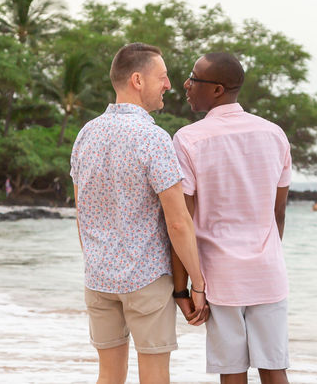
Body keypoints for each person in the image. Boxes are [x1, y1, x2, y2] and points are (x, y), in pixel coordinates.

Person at [70, 42, 210, 384]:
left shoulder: (85, 134)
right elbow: (178, 222)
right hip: (146, 278)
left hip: (99, 279)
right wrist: (198, 284)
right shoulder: (153, 137)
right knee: (154, 376)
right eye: (162, 77)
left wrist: (96, 262)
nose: (168, 85)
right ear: (137, 80)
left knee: (108, 376)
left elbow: (81, 213)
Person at [173, 52, 292, 383]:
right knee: (274, 369)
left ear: (217, 90)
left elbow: (183, 220)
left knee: (232, 374)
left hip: (221, 276)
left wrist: (183, 290)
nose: (186, 84)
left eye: (194, 78)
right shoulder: (274, 134)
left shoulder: (188, 138)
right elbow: (278, 211)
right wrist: (264, 252)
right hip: (268, 273)